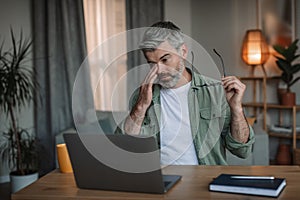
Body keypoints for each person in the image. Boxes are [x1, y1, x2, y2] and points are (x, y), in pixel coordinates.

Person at [115, 21, 255, 165]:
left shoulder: (217, 92)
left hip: (205, 180)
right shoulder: (143, 97)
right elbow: (125, 148)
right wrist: (140, 107)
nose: (159, 70)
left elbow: (242, 151)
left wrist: (237, 109)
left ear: (183, 52)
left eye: (165, 59)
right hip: (160, 181)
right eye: (152, 63)